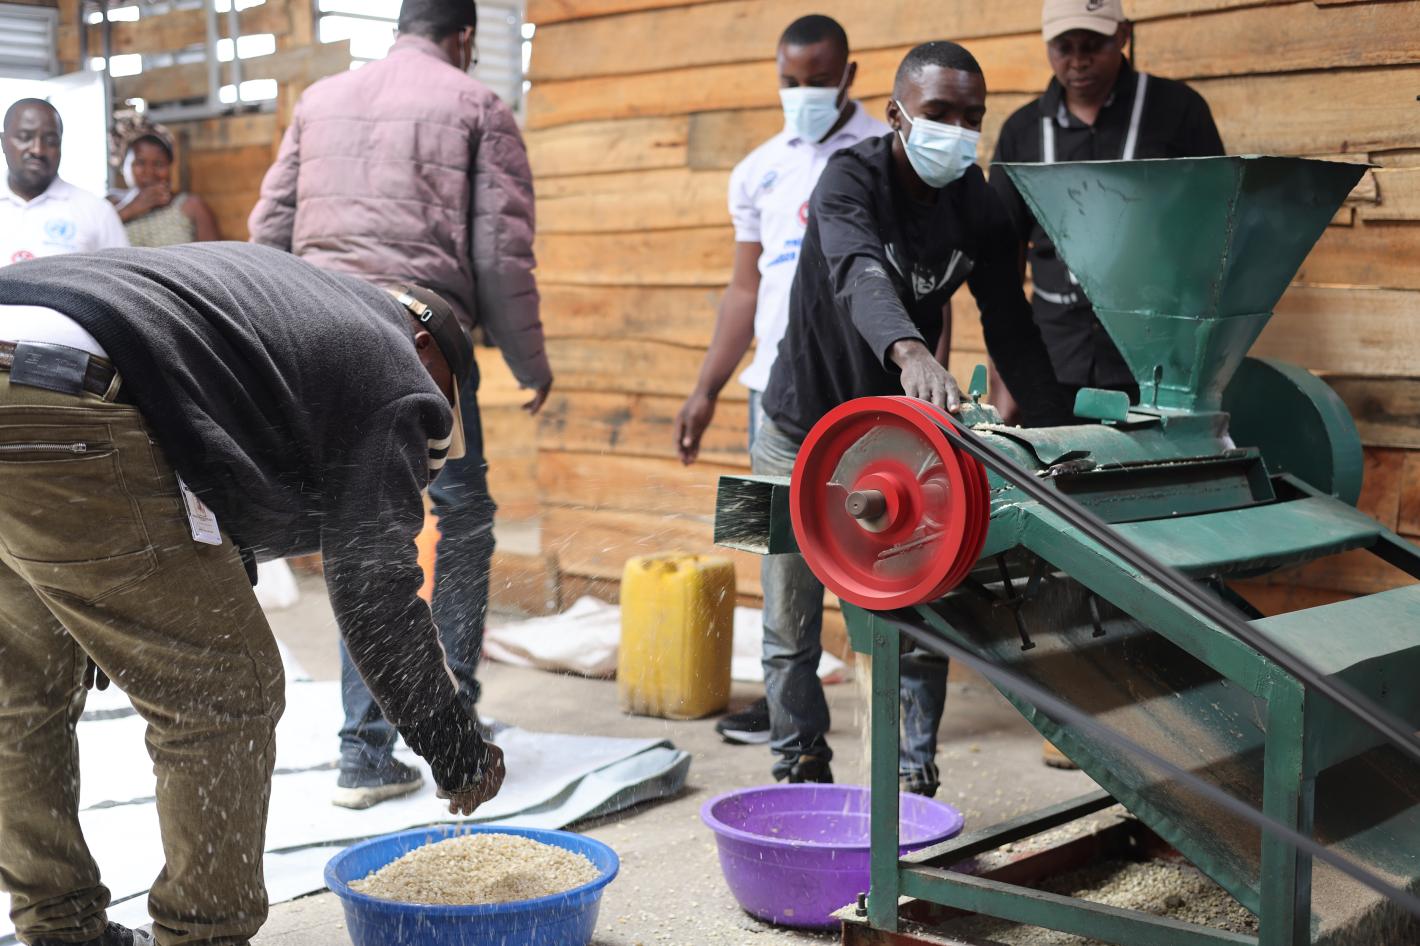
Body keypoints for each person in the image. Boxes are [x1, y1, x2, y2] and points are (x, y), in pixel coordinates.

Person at [0, 242, 506, 946]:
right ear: (426, 347)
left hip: (32, 361)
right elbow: (373, 593)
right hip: (70, 390)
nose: (426, 428)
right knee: (223, 692)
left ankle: (60, 929)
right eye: (441, 402)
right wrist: (455, 746)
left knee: (21, 695)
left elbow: (212, 490)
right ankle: (200, 935)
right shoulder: (395, 367)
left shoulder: (297, 309)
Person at [248, 0, 551, 809]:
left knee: (358, 528)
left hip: (311, 329)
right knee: (461, 517)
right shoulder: (478, 104)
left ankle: (371, 746)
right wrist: (530, 358)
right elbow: (499, 250)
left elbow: (268, 225)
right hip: (415, 338)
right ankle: (438, 710)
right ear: (466, 38)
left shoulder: (319, 101)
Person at [752, 41, 1075, 787]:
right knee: (790, 621)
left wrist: (1058, 432)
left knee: (921, 610)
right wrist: (911, 352)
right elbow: (858, 271)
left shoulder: (980, 204)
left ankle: (909, 779)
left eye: (972, 117)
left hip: (897, 443)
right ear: (896, 114)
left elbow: (1011, 324)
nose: (956, 131)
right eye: (938, 113)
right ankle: (799, 768)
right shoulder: (849, 179)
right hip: (804, 426)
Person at [987, 0, 1224, 421]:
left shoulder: (1178, 111)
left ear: (1123, 35)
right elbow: (1000, 259)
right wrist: (1004, 368)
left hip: (1155, 359)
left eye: (1093, 44)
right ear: (1047, 46)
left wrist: (1198, 348)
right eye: (1064, 47)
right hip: (1050, 359)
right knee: (1054, 477)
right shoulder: (1022, 132)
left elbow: (1213, 229)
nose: (1078, 61)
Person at [1, 98, 128, 265]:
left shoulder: (97, 212)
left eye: (50, 141)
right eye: (25, 137)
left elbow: (121, 283)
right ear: (3, 142)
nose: (37, 150)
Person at [109, 119, 222, 246]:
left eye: (159, 164)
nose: (149, 172)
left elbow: (214, 259)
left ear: (170, 167)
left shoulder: (190, 206)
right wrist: (132, 208)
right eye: (140, 163)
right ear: (123, 166)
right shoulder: (110, 204)